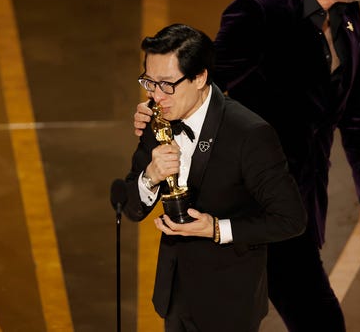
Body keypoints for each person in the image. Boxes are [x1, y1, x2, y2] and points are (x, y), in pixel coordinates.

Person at [133, 0, 360, 331]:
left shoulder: (347, 14)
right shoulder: (260, 11)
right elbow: (204, 87)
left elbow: (354, 105)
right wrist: (155, 112)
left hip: (298, 204)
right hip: (249, 206)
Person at [121, 23, 306, 332]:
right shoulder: (155, 118)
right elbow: (131, 207)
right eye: (149, 82)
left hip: (229, 301)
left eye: (167, 84)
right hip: (175, 295)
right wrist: (150, 177)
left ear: (199, 77)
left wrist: (217, 229)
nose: (156, 95)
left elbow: (291, 219)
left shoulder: (249, 134)